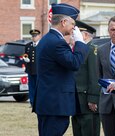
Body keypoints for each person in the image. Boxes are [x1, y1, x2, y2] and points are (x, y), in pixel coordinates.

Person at [32, 3, 89, 136]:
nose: (74, 28)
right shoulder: (57, 42)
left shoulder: (48, 39)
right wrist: (80, 42)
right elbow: (74, 63)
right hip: (55, 105)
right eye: (72, 24)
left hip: (49, 103)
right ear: (64, 22)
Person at [71, 20, 100, 136]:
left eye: (77, 33)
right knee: (77, 129)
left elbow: (95, 76)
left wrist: (93, 99)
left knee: (89, 130)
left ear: (85, 35)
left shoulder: (92, 50)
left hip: (87, 100)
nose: (73, 35)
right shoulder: (79, 50)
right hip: (76, 99)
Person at [23, 29, 41, 107]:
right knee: (31, 87)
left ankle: (39, 102)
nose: (33, 37)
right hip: (30, 69)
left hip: (39, 70)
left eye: (35, 36)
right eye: (32, 36)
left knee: (39, 87)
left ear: (39, 36)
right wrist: (25, 58)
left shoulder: (42, 45)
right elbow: (25, 54)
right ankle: (32, 102)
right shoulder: (28, 45)